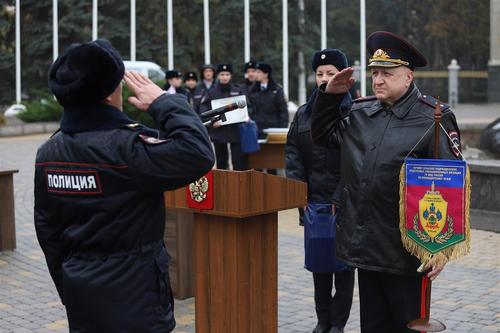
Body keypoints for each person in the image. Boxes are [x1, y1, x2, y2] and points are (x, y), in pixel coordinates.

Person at [34, 39, 215, 332]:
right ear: (109, 94)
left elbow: (48, 232)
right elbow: (197, 154)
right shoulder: (126, 149)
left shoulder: (49, 152)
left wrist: (69, 286)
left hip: (82, 294)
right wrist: (164, 101)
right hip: (136, 299)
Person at [311, 31, 462, 333]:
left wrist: (442, 247)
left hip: (407, 253)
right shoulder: (360, 113)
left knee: (408, 327)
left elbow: (452, 182)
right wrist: (330, 97)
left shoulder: (433, 117)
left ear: (408, 76)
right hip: (366, 247)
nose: (377, 80)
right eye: (374, 72)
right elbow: (323, 135)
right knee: (374, 327)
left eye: (387, 73)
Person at [286, 49, 355, 333]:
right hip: (314, 203)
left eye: (331, 73)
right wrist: (298, 192)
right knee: (320, 268)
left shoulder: (355, 112)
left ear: (343, 76)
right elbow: (292, 153)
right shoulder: (303, 113)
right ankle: (322, 322)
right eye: (320, 73)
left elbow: (357, 160)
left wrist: (341, 195)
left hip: (345, 203)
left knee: (344, 270)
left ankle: (338, 324)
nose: (325, 79)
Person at [201, 63, 248, 170]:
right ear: (218, 76)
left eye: (227, 74)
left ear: (230, 76)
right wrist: (212, 121)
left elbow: (247, 106)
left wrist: (246, 116)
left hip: (235, 131)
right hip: (219, 131)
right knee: (221, 162)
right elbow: (204, 109)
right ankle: (222, 185)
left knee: (238, 161)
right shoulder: (211, 92)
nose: (224, 77)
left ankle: (238, 184)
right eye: (222, 74)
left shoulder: (238, 90)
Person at [250, 62, 289, 134]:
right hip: (257, 129)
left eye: (259, 72)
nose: (256, 74)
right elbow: (251, 109)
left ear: (266, 74)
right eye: (256, 72)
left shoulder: (277, 90)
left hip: (274, 129)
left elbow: (283, 112)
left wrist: (282, 130)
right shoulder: (253, 90)